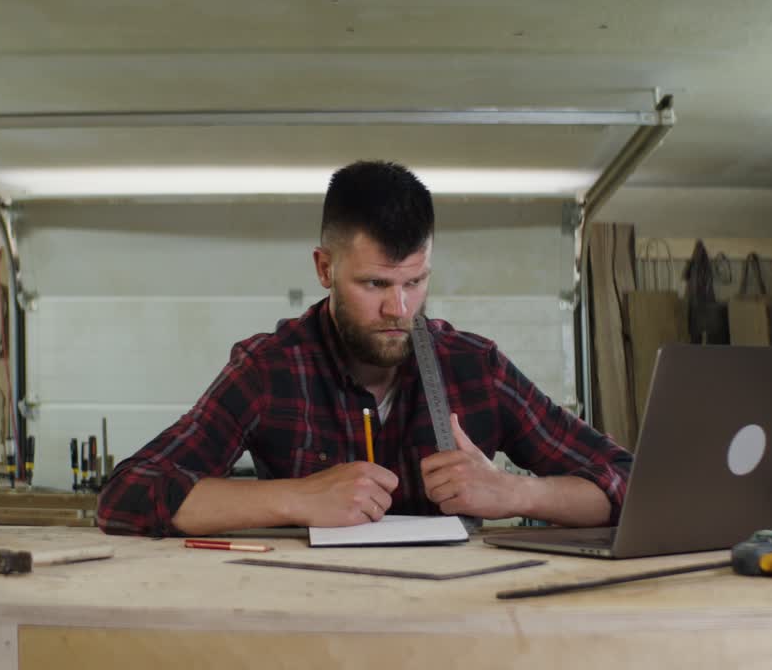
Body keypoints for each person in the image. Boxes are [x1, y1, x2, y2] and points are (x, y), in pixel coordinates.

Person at [97, 160, 633, 537]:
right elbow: (128, 494)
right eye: (375, 285)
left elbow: (630, 482)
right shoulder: (269, 369)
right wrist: (293, 498)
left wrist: (515, 494)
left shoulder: (475, 367)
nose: (400, 309)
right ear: (325, 268)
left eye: (416, 282)